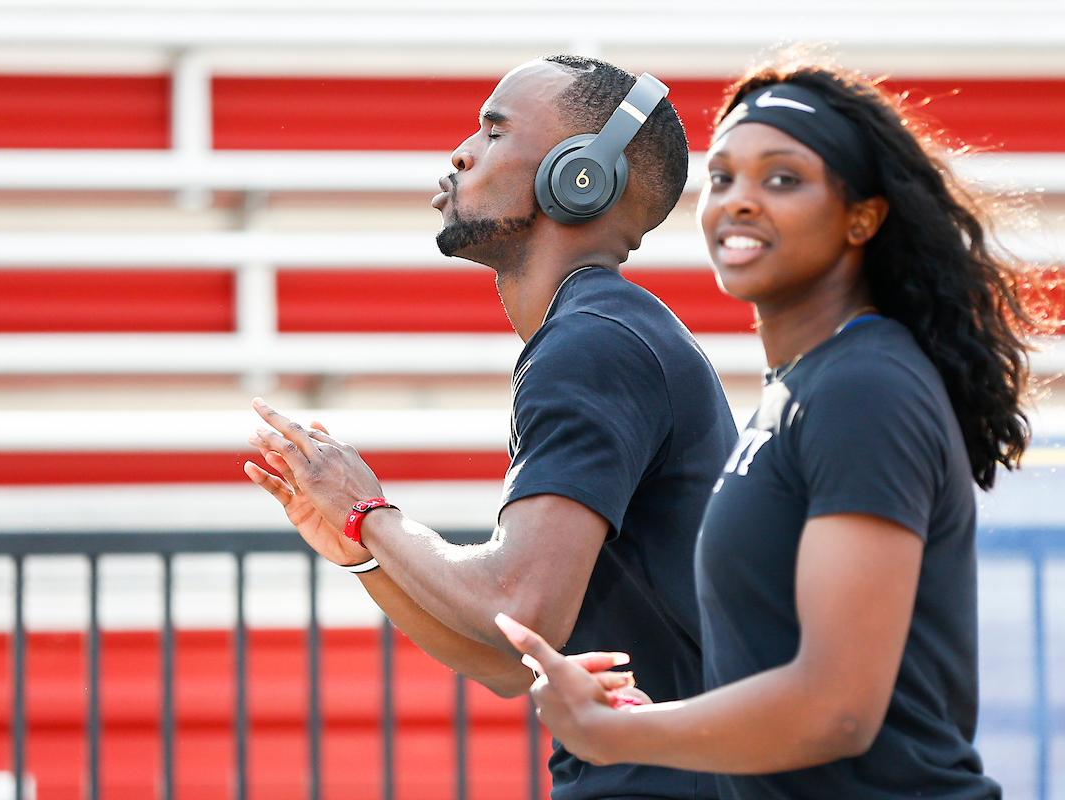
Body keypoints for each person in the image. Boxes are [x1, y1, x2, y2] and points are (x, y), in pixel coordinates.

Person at [497, 53, 1041, 799]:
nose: (740, 201)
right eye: (723, 178)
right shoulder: (801, 388)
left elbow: (837, 709)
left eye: (782, 178)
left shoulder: (864, 385)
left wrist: (617, 733)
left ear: (863, 216)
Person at [246, 55, 737, 800]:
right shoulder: (599, 332)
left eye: (494, 131)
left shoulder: (591, 344)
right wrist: (365, 556)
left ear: (582, 175)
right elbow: (512, 658)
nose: (461, 152)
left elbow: (518, 603)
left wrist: (368, 512)